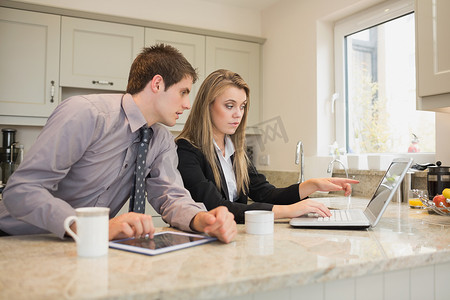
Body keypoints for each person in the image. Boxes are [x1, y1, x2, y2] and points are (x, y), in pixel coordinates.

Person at [0, 45, 236, 243]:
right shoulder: (86, 114)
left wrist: (201, 220)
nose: (187, 104)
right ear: (157, 84)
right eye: (183, 92)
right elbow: (21, 191)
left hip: (84, 247)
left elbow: (171, 197)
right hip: (18, 239)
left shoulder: (162, 140)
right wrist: (87, 228)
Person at [176, 69, 359, 223]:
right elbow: (216, 206)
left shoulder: (235, 150)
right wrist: (288, 211)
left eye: (242, 106)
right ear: (207, 107)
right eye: (230, 106)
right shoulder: (187, 150)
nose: (238, 114)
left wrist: (313, 185)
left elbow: (265, 193)